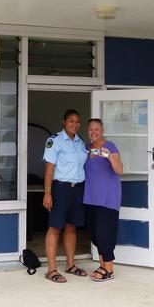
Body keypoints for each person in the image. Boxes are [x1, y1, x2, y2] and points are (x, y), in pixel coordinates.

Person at [42, 109, 89, 283]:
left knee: (71, 227)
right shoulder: (54, 141)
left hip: (78, 189)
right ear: (64, 122)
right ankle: (52, 270)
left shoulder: (80, 143)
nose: (75, 124)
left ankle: (70, 265)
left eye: (77, 121)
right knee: (55, 227)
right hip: (60, 189)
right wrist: (47, 193)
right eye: (71, 121)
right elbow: (49, 169)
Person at [83, 118, 123, 282]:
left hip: (107, 198)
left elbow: (119, 170)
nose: (94, 132)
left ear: (102, 130)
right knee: (94, 234)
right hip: (90, 197)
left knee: (104, 233)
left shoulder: (110, 146)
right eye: (91, 129)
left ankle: (109, 269)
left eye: (97, 129)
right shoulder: (86, 149)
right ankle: (102, 265)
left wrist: (109, 157)